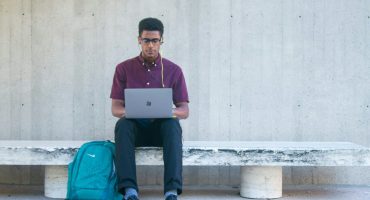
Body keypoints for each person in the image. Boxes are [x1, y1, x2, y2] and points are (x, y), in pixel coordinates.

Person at [110, 17, 189, 200]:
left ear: (161, 41)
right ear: (139, 40)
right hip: (134, 131)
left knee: (173, 125)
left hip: (161, 131)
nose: (151, 46)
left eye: (155, 41)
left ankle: (171, 191)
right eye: (146, 40)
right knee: (123, 125)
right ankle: (129, 190)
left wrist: (167, 112)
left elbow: (184, 110)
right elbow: (115, 109)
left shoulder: (173, 70)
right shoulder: (123, 69)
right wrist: (135, 112)